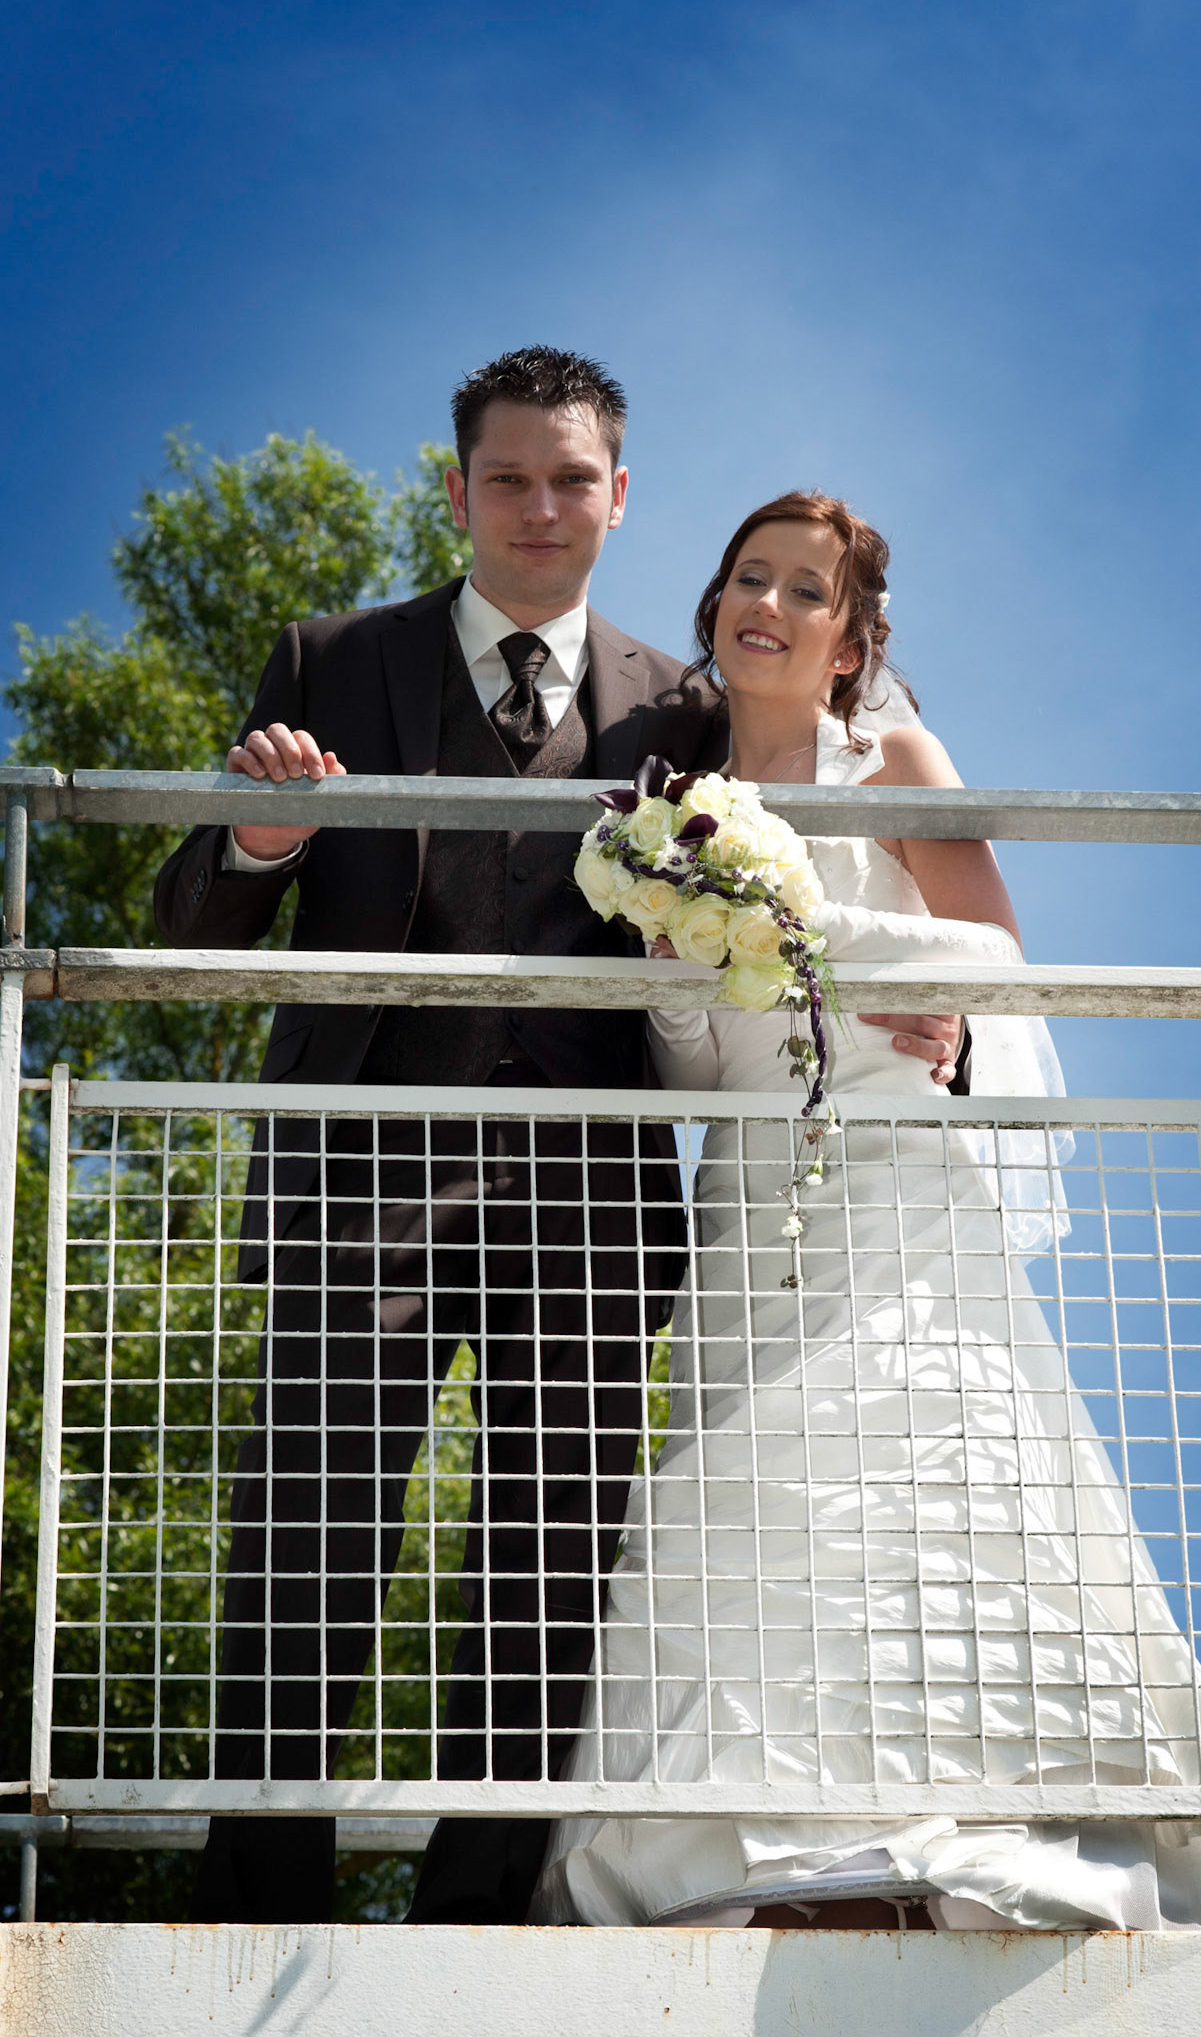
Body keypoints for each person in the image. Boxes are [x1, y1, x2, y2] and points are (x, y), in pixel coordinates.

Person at [153, 354, 959, 1927]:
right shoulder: (331, 659)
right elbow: (191, 917)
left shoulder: (685, 706)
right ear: (459, 491)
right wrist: (261, 834)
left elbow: (828, 822)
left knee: (548, 1569)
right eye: (509, 479)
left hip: (590, 1192)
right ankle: (255, 1905)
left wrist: (920, 1000)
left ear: (619, 495)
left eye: (572, 479)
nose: (541, 507)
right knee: (307, 1538)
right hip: (363, 1170)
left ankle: (478, 1926)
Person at [530, 491, 1201, 1934]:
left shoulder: (893, 760)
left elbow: (991, 956)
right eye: (748, 578)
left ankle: (986, 1838)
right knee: (759, 1511)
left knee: (925, 1477)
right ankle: (766, 1858)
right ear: (714, 606)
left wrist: (812, 938)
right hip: (750, 1196)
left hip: (892, 1177)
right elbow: (694, 1069)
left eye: (804, 591)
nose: (766, 605)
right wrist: (686, 967)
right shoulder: (667, 815)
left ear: (849, 640)